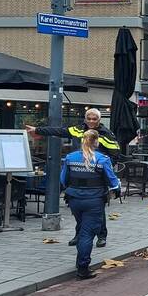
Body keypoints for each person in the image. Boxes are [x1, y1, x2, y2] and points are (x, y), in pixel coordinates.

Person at [28, 108, 120, 248]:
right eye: (88, 118)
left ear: (99, 120)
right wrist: (37, 130)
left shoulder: (106, 134)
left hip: (97, 177)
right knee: (80, 211)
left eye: (94, 119)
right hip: (79, 176)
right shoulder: (78, 130)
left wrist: (102, 169)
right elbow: (59, 131)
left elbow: (115, 155)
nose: (91, 121)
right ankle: (79, 234)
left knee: (98, 209)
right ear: (85, 119)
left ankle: (101, 236)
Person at [60, 130, 120, 280]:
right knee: (88, 233)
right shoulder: (102, 159)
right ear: (96, 142)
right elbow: (112, 182)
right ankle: (83, 268)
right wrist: (115, 189)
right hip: (94, 200)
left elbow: (63, 179)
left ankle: (79, 261)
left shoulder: (70, 158)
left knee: (81, 228)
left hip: (74, 200)